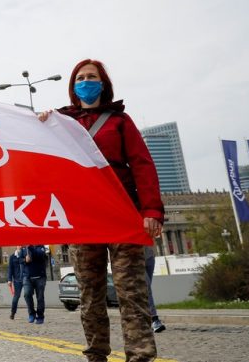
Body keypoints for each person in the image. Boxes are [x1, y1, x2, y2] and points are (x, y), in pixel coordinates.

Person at [40, 59, 164, 362]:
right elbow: (43, 158)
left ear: (103, 83)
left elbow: (142, 165)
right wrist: (40, 123)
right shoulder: (62, 122)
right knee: (90, 295)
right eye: (80, 78)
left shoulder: (120, 121)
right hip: (85, 218)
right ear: (73, 86)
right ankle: (96, 356)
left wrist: (151, 210)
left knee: (132, 293)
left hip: (124, 215)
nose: (86, 81)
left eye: (91, 77)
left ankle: (140, 356)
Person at [23, 245, 47, 324]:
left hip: (40, 277)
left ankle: (40, 316)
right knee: (27, 294)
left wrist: (30, 247)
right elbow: (19, 260)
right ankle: (31, 313)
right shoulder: (24, 248)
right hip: (28, 277)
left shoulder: (41, 246)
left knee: (40, 297)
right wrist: (25, 260)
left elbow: (40, 255)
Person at [145, 247, 166, 333]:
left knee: (146, 290)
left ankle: (145, 317)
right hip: (136, 259)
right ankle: (155, 320)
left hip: (149, 256)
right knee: (147, 288)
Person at [7, 246, 25, 320]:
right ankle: (13, 313)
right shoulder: (12, 257)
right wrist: (9, 279)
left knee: (28, 295)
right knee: (16, 296)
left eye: (21, 245)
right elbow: (10, 269)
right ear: (16, 246)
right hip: (17, 280)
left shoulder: (25, 254)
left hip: (26, 278)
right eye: (19, 245)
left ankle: (32, 314)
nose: (20, 246)